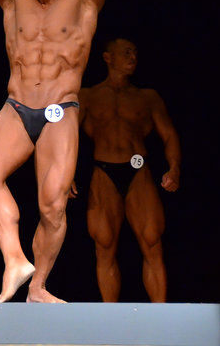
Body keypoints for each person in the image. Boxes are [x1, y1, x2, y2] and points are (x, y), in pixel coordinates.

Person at [0, 0, 116, 303]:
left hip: (59, 110)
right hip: (16, 106)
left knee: (52, 207)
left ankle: (38, 287)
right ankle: (15, 261)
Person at [78, 38, 180, 302]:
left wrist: (174, 168)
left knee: (153, 241)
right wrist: (64, 176)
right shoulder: (87, 96)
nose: (132, 57)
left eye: (134, 52)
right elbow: (67, 138)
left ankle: (160, 315)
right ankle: (111, 316)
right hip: (104, 170)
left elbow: (169, 135)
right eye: (125, 52)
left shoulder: (147, 97)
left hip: (138, 167)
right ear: (107, 58)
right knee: (104, 244)